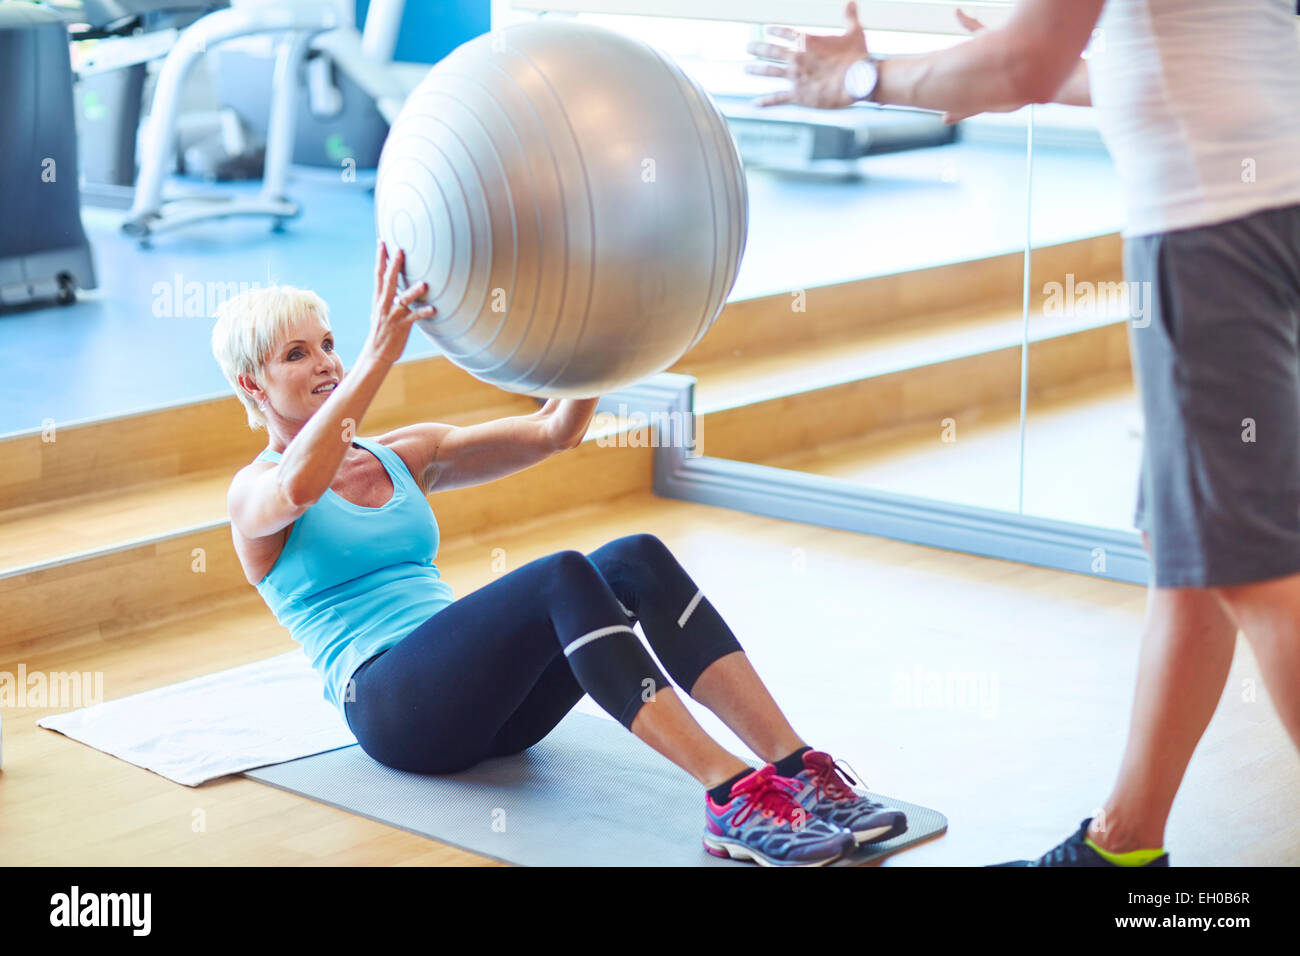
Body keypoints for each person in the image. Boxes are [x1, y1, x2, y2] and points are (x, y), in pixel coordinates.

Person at [748, 0, 1300, 866]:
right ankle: (1120, 848)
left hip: (1211, 232)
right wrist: (1012, 71)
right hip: (1263, 206)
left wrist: (859, 78)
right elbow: (1167, 51)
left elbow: (1026, 63)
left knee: (1258, 576)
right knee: (1192, 552)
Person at [210, 240, 909, 867]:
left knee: (633, 556)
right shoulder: (253, 493)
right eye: (297, 354)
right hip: (397, 710)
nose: (326, 362)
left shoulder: (401, 454)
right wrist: (379, 355)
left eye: (328, 343)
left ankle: (795, 766)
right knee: (560, 577)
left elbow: (555, 430)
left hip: (493, 708)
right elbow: (301, 483)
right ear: (251, 384)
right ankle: (729, 793)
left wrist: (593, 339)